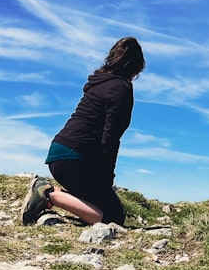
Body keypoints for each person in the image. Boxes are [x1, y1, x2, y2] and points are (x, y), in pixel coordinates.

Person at [22, 36, 146, 226]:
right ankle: (48, 194)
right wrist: (107, 178)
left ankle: (50, 193)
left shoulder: (99, 83)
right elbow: (110, 138)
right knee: (112, 218)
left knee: (99, 204)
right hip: (74, 159)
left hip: (61, 152)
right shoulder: (121, 88)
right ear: (136, 66)